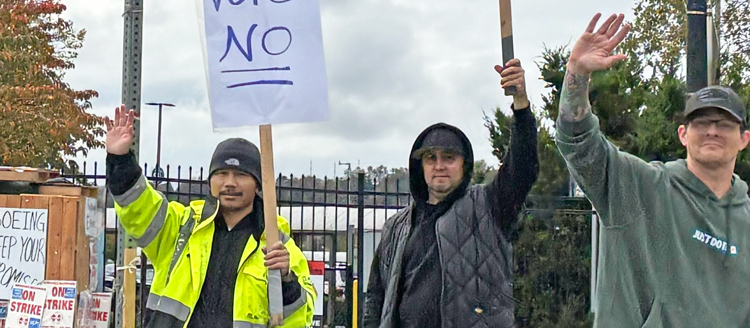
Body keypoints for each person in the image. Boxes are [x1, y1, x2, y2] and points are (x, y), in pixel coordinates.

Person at [556, 13, 750, 327]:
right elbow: (579, 144)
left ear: (744, 140)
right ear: (683, 135)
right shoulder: (638, 186)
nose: (713, 131)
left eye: (725, 124)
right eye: (701, 122)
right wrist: (577, 75)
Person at [363, 59, 539, 328]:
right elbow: (376, 297)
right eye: (430, 158)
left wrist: (521, 105)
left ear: (465, 164)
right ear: (419, 167)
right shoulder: (396, 228)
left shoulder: (488, 206)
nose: (439, 165)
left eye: (449, 157)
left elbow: (523, 166)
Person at [105, 106, 315, 328]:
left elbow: (302, 317)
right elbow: (139, 207)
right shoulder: (182, 228)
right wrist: (120, 160)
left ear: (258, 185)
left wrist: (286, 280)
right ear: (210, 181)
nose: (230, 182)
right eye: (221, 174)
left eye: (241, 175)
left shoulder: (278, 245)